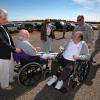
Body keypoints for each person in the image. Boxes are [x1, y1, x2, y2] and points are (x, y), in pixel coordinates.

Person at [0, 8, 21, 90]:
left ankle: (10, 78)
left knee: (11, 66)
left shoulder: (3, 26)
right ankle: (4, 85)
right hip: (2, 54)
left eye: (7, 18)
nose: (7, 20)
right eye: (4, 18)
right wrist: (14, 49)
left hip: (9, 51)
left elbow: (9, 38)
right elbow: (2, 42)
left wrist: (13, 47)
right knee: (4, 71)